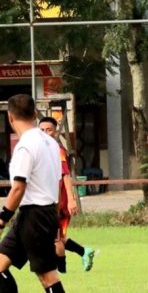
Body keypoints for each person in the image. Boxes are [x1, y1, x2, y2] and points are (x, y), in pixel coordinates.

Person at [0, 94, 65, 292]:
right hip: (37, 213)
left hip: (36, 215)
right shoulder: (51, 143)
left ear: (10, 117)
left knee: (47, 275)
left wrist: (2, 219)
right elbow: (58, 182)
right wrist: (55, 214)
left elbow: (18, 188)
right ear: (35, 114)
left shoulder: (25, 146)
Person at [38, 117, 96, 272]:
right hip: (48, 200)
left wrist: (71, 199)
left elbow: (65, 175)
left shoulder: (57, 150)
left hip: (58, 202)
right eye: (42, 130)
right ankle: (84, 252)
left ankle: (61, 271)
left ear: (55, 131)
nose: (45, 133)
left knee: (54, 238)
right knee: (58, 237)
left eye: (48, 130)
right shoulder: (42, 149)